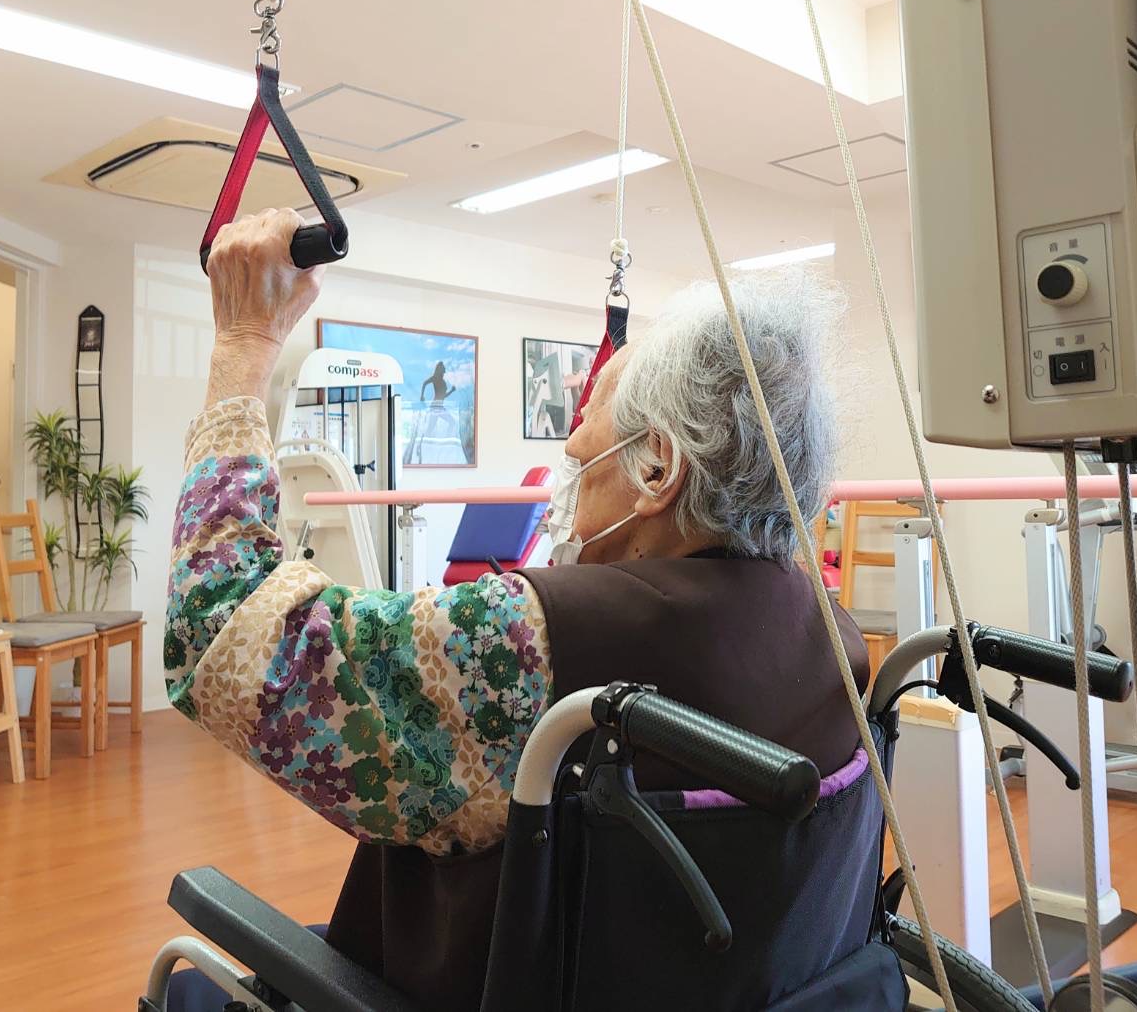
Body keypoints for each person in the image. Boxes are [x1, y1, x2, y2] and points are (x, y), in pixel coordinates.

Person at [165, 208, 868, 1011]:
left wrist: (244, 345)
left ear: (656, 468)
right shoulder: (836, 639)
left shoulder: (531, 639)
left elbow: (218, 629)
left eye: (583, 437)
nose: (569, 456)